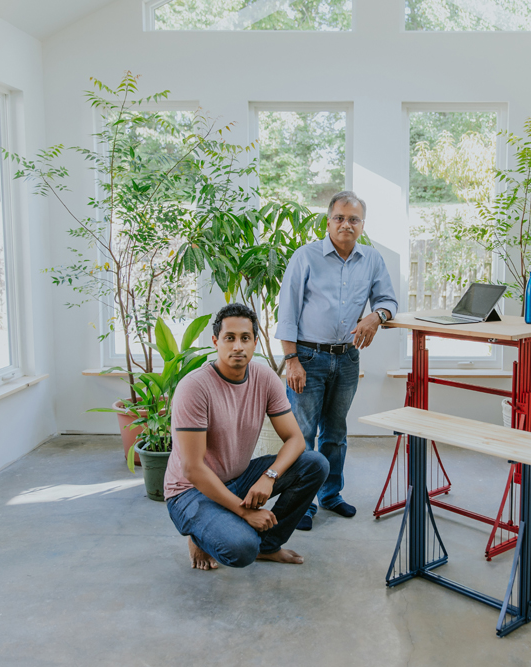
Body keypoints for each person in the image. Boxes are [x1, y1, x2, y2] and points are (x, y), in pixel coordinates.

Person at [165, 303, 328, 570]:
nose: (238, 346)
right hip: (190, 492)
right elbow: (192, 469)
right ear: (216, 341)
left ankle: (267, 546)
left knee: (315, 464)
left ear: (255, 343)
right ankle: (199, 534)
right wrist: (244, 513)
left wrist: (269, 476)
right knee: (240, 549)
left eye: (245, 338)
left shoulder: (264, 378)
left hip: (236, 479)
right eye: (230, 338)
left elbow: (296, 439)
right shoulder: (194, 387)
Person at [276, 191, 398, 531]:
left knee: (336, 433)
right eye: (340, 218)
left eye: (353, 219)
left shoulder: (371, 259)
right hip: (308, 357)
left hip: (346, 359)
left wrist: (377, 316)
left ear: (362, 225)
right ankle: (302, 503)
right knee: (303, 434)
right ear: (328, 221)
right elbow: (287, 313)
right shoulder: (306, 257)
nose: (346, 224)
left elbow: (388, 300)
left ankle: (330, 495)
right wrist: (291, 360)